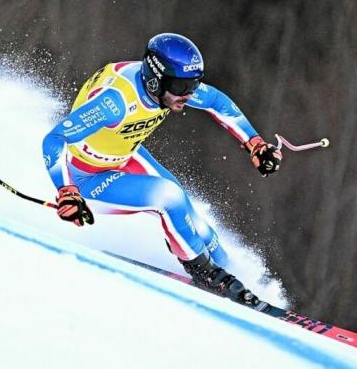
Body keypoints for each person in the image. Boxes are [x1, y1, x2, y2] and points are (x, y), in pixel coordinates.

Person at [42, 33, 282, 310]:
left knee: (192, 217)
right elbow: (54, 138)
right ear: (156, 80)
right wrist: (66, 190)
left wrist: (254, 143)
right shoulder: (115, 103)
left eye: (193, 84)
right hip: (86, 178)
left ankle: (234, 274)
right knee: (168, 197)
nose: (189, 94)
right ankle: (205, 273)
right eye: (182, 86)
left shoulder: (168, 88)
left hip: (124, 155)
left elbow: (217, 101)